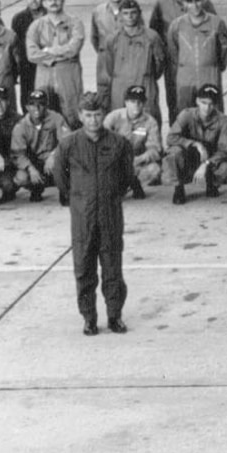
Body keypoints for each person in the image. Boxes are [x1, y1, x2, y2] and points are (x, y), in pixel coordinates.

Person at [57, 92, 134, 336]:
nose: (93, 120)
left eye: (97, 115)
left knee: (112, 267)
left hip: (110, 214)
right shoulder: (68, 144)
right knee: (84, 268)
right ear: (80, 116)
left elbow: (126, 178)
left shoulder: (119, 144)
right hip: (83, 216)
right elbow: (61, 177)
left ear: (104, 115)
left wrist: (110, 196)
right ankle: (89, 318)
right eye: (88, 115)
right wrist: (80, 198)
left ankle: (115, 316)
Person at [163, 84, 227, 205]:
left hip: (209, 161)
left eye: (211, 104)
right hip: (188, 159)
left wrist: (206, 164)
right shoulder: (186, 115)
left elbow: (225, 150)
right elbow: (171, 138)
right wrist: (194, 144)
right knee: (173, 153)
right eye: (203, 102)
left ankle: (212, 184)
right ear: (197, 101)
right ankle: (178, 188)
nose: (207, 107)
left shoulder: (223, 120)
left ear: (216, 104)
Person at [168, 0, 227, 116]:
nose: (194, 5)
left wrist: (215, 65)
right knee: (185, 115)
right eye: (190, 1)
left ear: (202, 0)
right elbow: (172, 51)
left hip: (209, 76)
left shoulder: (216, 23)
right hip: (185, 79)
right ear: (184, 3)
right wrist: (184, 65)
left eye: (197, 0)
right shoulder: (176, 25)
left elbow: (226, 48)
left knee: (213, 114)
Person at [26, 0, 84, 116]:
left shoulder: (75, 23)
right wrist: (60, 54)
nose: (53, 2)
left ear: (63, 0)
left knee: (73, 112)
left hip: (68, 74)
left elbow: (73, 49)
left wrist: (48, 51)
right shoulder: (36, 26)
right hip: (44, 74)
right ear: (44, 3)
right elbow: (32, 54)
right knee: (44, 112)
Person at [103, 86, 160, 197]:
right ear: (126, 102)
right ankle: (120, 185)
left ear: (144, 103)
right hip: (115, 161)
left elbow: (155, 149)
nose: (136, 105)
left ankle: (129, 185)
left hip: (136, 162)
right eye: (132, 101)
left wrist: (140, 159)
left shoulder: (150, 122)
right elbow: (101, 143)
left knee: (155, 170)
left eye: (140, 102)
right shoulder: (113, 117)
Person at [9, 88, 65, 202]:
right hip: (33, 162)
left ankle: (63, 189)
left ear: (46, 105)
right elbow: (17, 154)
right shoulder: (20, 126)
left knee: (67, 163)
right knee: (21, 178)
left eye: (41, 104)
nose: (37, 108)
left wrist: (54, 155)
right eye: (32, 105)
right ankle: (36, 188)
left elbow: (66, 141)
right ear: (26, 107)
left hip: (51, 160)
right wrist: (30, 168)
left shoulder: (56, 118)